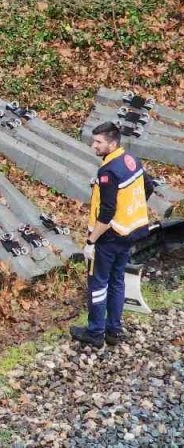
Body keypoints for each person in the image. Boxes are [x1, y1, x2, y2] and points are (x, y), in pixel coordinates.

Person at [70, 121, 154, 348]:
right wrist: (131, 212)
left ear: (112, 143)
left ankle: (95, 332)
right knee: (117, 281)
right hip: (128, 233)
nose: (93, 145)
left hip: (108, 238)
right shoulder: (131, 160)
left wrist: (90, 241)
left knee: (98, 284)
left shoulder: (108, 172)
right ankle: (113, 330)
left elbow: (106, 213)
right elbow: (148, 186)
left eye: (98, 142)